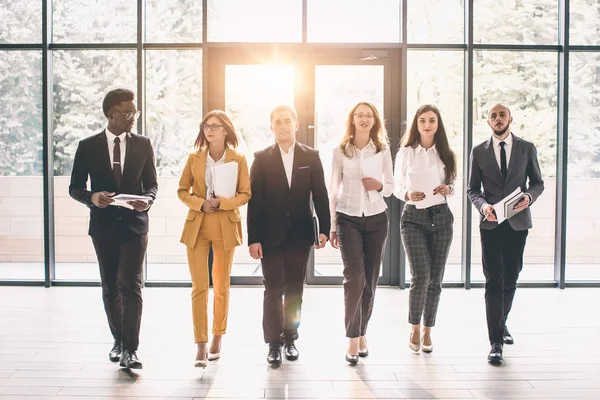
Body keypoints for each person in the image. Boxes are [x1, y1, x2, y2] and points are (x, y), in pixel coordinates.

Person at [69, 88, 158, 369]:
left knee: (131, 284)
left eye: (135, 112)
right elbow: (75, 187)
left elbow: (152, 184)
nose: (133, 117)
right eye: (127, 112)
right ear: (111, 114)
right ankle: (118, 340)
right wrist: (92, 198)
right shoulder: (88, 146)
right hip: (103, 226)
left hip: (135, 226)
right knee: (110, 286)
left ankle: (131, 350)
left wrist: (148, 201)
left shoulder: (143, 144)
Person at [247, 105, 330, 366]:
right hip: (269, 236)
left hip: (300, 235)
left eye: (287, 121)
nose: (282, 126)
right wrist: (253, 238)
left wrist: (325, 229)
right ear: (271, 127)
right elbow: (255, 201)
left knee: (294, 289)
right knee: (272, 289)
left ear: (296, 124)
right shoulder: (261, 158)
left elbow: (321, 195)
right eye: (277, 122)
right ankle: (273, 344)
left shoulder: (311, 156)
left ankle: (291, 338)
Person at [467, 103, 544, 363]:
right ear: (488, 122)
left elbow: (538, 183)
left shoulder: (526, 148)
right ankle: (496, 342)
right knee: (493, 281)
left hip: (518, 223)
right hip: (490, 224)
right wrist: (483, 205)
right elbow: (472, 190)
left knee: (511, 278)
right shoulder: (478, 151)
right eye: (493, 116)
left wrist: (529, 197)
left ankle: (502, 321)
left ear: (510, 118)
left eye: (502, 115)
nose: (498, 119)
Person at [177, 110, 251, 368]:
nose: (210, 130)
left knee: (221, 285)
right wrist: (199, 204)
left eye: (215, 126)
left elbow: (245, 194)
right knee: (199, 286)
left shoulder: (238, 159)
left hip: (225, 226)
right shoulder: (194, 158)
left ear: (226, 131)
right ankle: (200, 344)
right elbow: (182, 190)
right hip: (197, 226)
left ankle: (217, 337)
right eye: (206, 126)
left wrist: (223, 203)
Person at [329, 102, 394, 364]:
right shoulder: (340, 151)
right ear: (352, 119)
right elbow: (332, 190)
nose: (364, 119)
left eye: (368, 115)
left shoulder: (382, 150)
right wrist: (333, 226)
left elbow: (390, 187)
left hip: (377, 218)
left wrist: (378, 185)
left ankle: (362, 332)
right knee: (354, 277)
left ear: (375, 121)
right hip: (348, 219)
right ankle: (352, 338)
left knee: (370, 278)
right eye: (359, 115)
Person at [394, 104, 456, 354]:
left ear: (438, 124)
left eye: (432, 120)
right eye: (422, 120)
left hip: (441, 218)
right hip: (413, 217)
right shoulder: (406, 153)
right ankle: (414, 327)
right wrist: (408, 193)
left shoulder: (447, 153)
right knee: (421, 275)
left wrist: (447, 189)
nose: (427, 124)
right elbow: (396, 187)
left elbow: (452, 183)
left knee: (436, 279)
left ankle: (429, 330)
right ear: (416, 124)